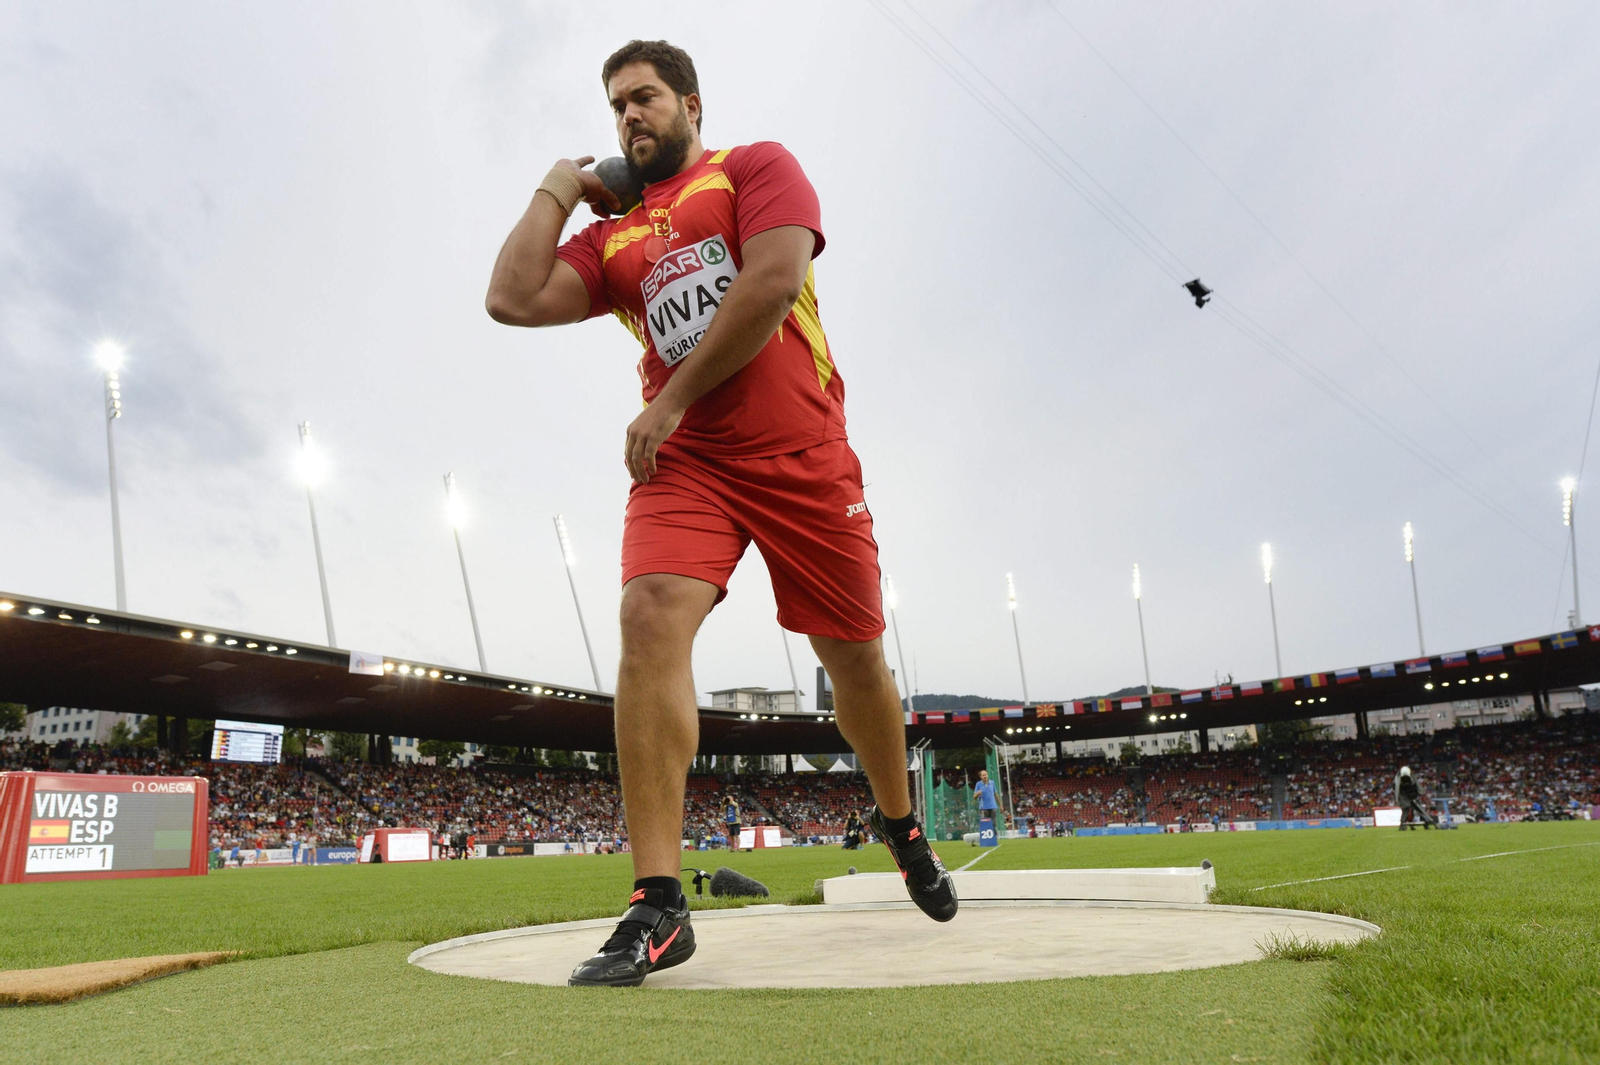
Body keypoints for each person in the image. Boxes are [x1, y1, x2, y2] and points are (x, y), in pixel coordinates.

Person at [486, 38, 957, 988]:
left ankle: (899, 820)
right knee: (647, 611)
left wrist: (666, 401)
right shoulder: (612, 241)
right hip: (690, 465)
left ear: (691, 105)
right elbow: (510, 297)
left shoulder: (754, 169)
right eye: (616, 105)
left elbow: (772, 283)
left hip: (801, 455)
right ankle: (657, 902)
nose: (630, 116)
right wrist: (557, 189)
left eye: (646, 98)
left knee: (854, 657)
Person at [1395, 765, 1435, 830]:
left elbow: (1417, 785)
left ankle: (1425, 824)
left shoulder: (1412, 777)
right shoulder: (1398, 778)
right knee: (1406, 809)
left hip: (1413, 795)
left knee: (1419, 810)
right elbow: (1397, 790)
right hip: (1404, 796)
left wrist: (1419, 793)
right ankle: (1403, 825)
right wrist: (1398, 799)